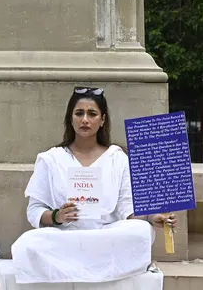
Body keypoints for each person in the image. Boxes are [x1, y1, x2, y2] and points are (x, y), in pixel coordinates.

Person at [10, 87, 177, 284]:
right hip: (67, 238)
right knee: (27, 243)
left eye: (92, 114)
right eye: (79, 113)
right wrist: (57, 216)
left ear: (102, 120)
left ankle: (82, 267)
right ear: (70, 118)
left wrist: (151, 216)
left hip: (106, 237)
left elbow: (127, 208)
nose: (85, 120)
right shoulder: (51, 159)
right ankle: (96, 268)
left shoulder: (117, 158)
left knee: (141, 231)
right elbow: (34, 211)